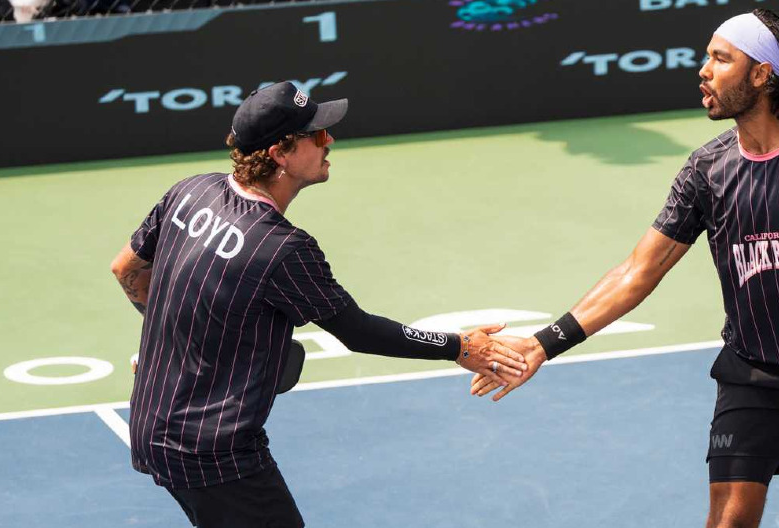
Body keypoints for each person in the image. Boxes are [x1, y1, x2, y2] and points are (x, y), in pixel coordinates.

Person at [470, 9, 779, 528]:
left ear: (762, 74)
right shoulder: (706, 171)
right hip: (754, 372)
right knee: (727, 523)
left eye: (721, 59)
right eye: (706, 57)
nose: (703, 69)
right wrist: (544, 343)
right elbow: (639, 270)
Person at [109, 82, 526, 528]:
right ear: (280, 154)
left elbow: (126, 269)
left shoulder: (190, 192)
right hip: (213, 451)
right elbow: (359, 331)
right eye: (319, 136)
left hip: (152, 426)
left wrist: (170, 342)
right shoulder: (282, 249)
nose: (331, 143)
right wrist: (460, 347)